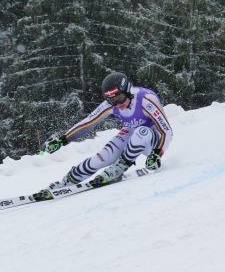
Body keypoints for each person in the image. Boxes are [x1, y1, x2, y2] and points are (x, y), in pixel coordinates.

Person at [34, 72, 173, 200]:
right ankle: (66, 182)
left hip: (153, 139)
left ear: (128, 91)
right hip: (131, 131)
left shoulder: (146, 100)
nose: (117, 104)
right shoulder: (111, 104)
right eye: (112, 101)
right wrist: (63, 140)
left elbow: (166, 130)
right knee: (102, 158)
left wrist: (157, 153)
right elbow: (88, 123)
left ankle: (120, 166)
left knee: (142, 131)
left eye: (119, 98)